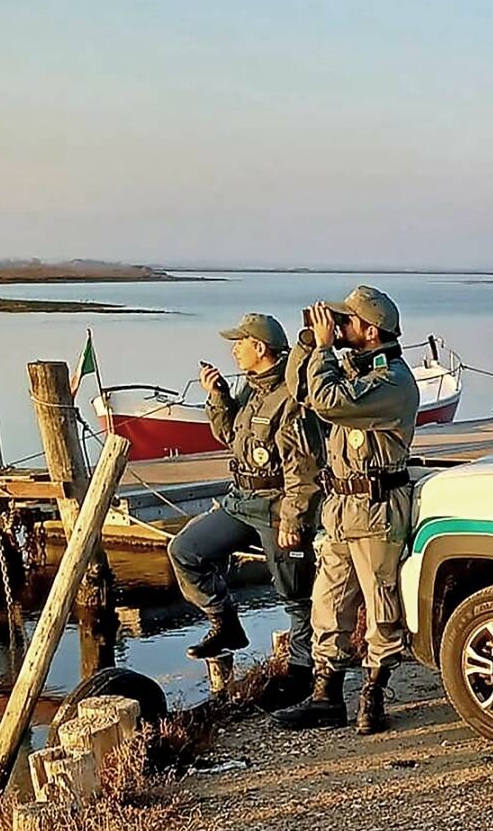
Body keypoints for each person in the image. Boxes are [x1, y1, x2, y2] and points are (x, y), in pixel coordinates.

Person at [275, 286, 419, 735]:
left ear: (370, 330)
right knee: (329, 602)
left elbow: (329, 401)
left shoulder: (392, 381)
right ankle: (326, 695)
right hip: (340, 507)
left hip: (376, 507)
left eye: (346, 322)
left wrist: (323, 349)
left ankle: (373, 692)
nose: (338, 328)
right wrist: (307, 346)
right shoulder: (349, 367)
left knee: (381, 606)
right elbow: (301, 391)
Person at [167, 313, 321, 708]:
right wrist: (218, 395)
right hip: (242, 500)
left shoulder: (291, 397)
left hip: (277, 507)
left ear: (261, 348)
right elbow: (230, 437)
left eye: (240, 342)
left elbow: (302, 469)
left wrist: (293, 521)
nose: (234, 349)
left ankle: (302, 673)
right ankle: (226, 623)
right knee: (185, 551)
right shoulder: (250, 391)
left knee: (295, 594)